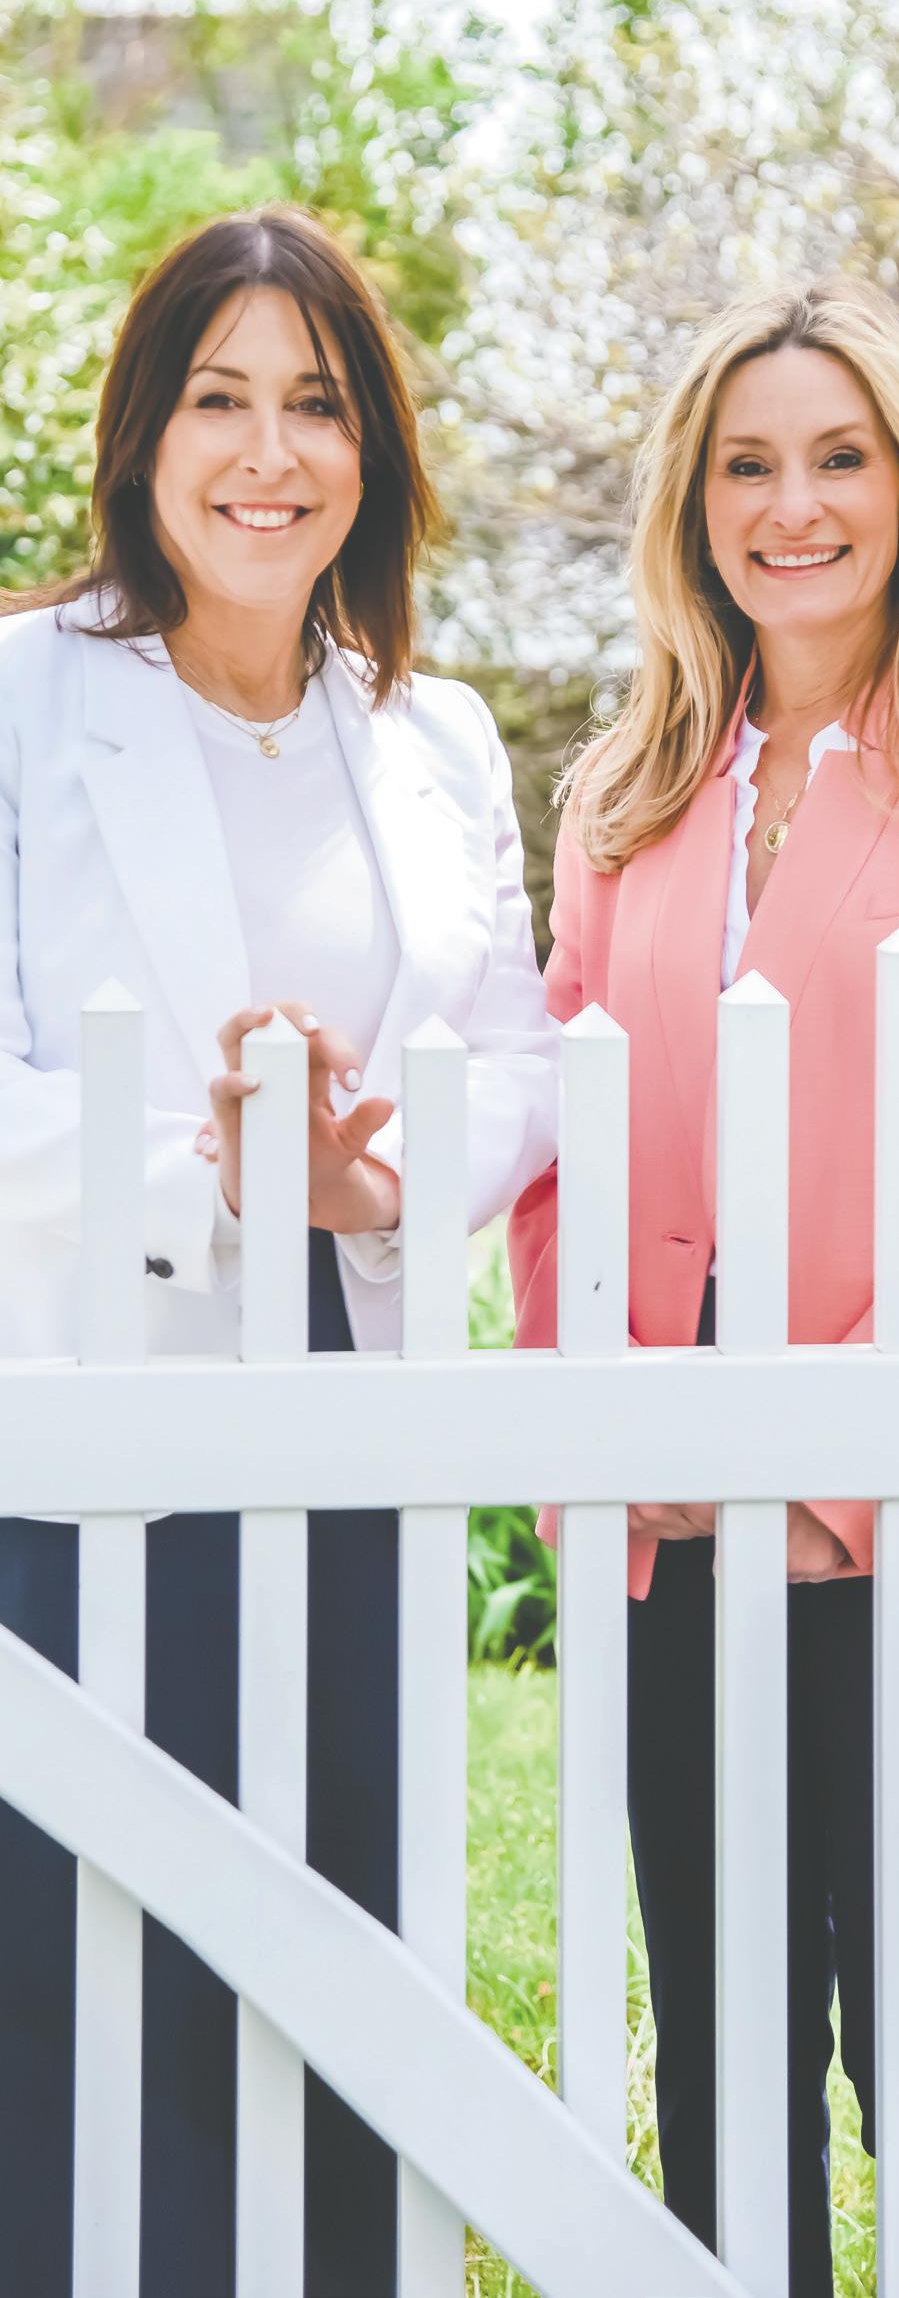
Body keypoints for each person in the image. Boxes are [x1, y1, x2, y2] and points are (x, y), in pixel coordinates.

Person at [0, 203, 557, 2298]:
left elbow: (512, 1055)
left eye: (315, 404)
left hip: (353, 1405)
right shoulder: (22, 697)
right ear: (143, 436)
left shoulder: (438, 734)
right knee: (86, 1972)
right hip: (94, 1415)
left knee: (346, 1957)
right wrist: (211, 1170)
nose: (267, 453)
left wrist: (366, 1185)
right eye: (216, 400)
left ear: (370, 450)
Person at [508, 274, 899, 2297]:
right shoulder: (625, 787)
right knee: (726, 2062)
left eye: (836, 459)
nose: (790, 505)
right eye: (744, 465)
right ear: (691, 503)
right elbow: (551, 1146)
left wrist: (830, 1475)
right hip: (668, 1515)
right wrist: (609, 1429)